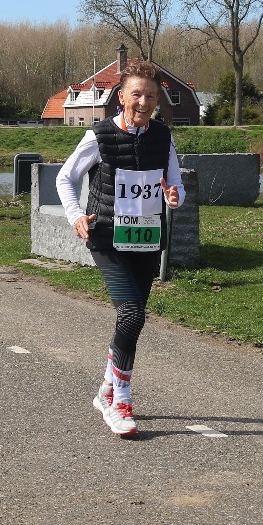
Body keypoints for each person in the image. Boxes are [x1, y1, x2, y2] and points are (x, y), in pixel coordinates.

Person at [56, 60, 184, 439]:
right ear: (121, 97)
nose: (144, 102)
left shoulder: (163, 137)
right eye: (137, 94)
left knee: (133, 319)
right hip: (107, 236)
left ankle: (106, 390)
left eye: (151, 96)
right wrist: (76, 216)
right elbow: (65, 177)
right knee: (130, 315)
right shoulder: (99, 136)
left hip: (146, 239)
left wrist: (174, 196)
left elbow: (175, 184)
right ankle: (121, 402)